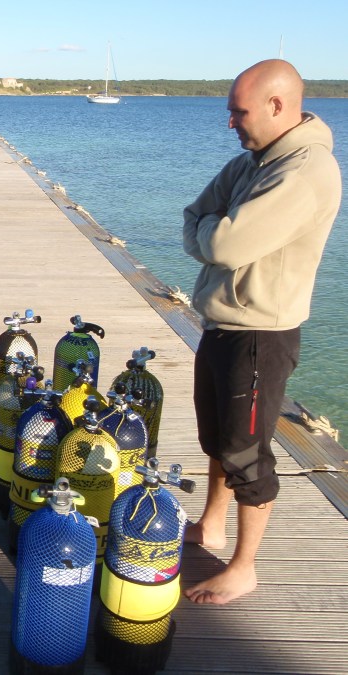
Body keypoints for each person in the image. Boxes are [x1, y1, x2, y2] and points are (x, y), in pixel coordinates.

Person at [182, 59, 341, 605]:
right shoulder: (252, 162)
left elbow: (223, 244)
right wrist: (214, 229)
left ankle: (244, 567)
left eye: (239, 112)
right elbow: (194, 216)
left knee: (246, 453)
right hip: (221, 323)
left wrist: (215, 231)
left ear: (277, 105)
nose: (230, 122)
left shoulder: (305, 172)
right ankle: (212, 525)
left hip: (259, 335)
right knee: (217, 438)